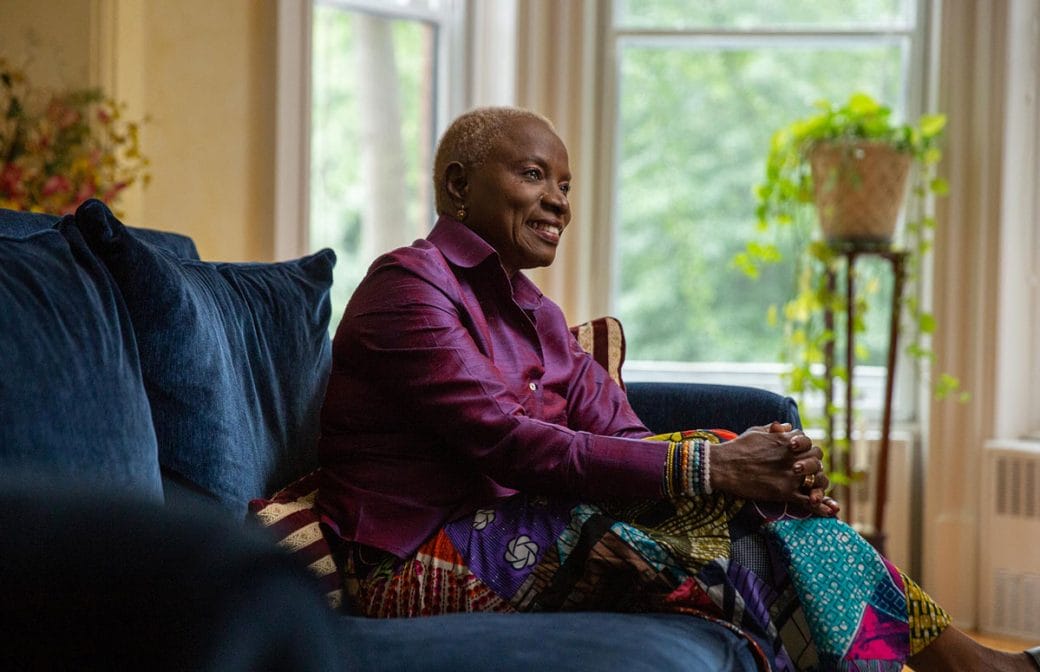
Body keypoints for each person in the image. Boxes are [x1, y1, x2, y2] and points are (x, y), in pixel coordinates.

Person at [315, 106, 1039, 672]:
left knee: (749, 497)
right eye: (535, 176)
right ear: (457, 186)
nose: (559, 202)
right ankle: (969, 667)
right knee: (732, 537)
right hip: (414, 559)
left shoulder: (537, 313)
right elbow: (507, 445)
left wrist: (754, 471)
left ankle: (969, 666)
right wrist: (712, 469)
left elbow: (628, 439)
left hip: (525, 526)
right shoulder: (409, 289)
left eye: (566, 186)